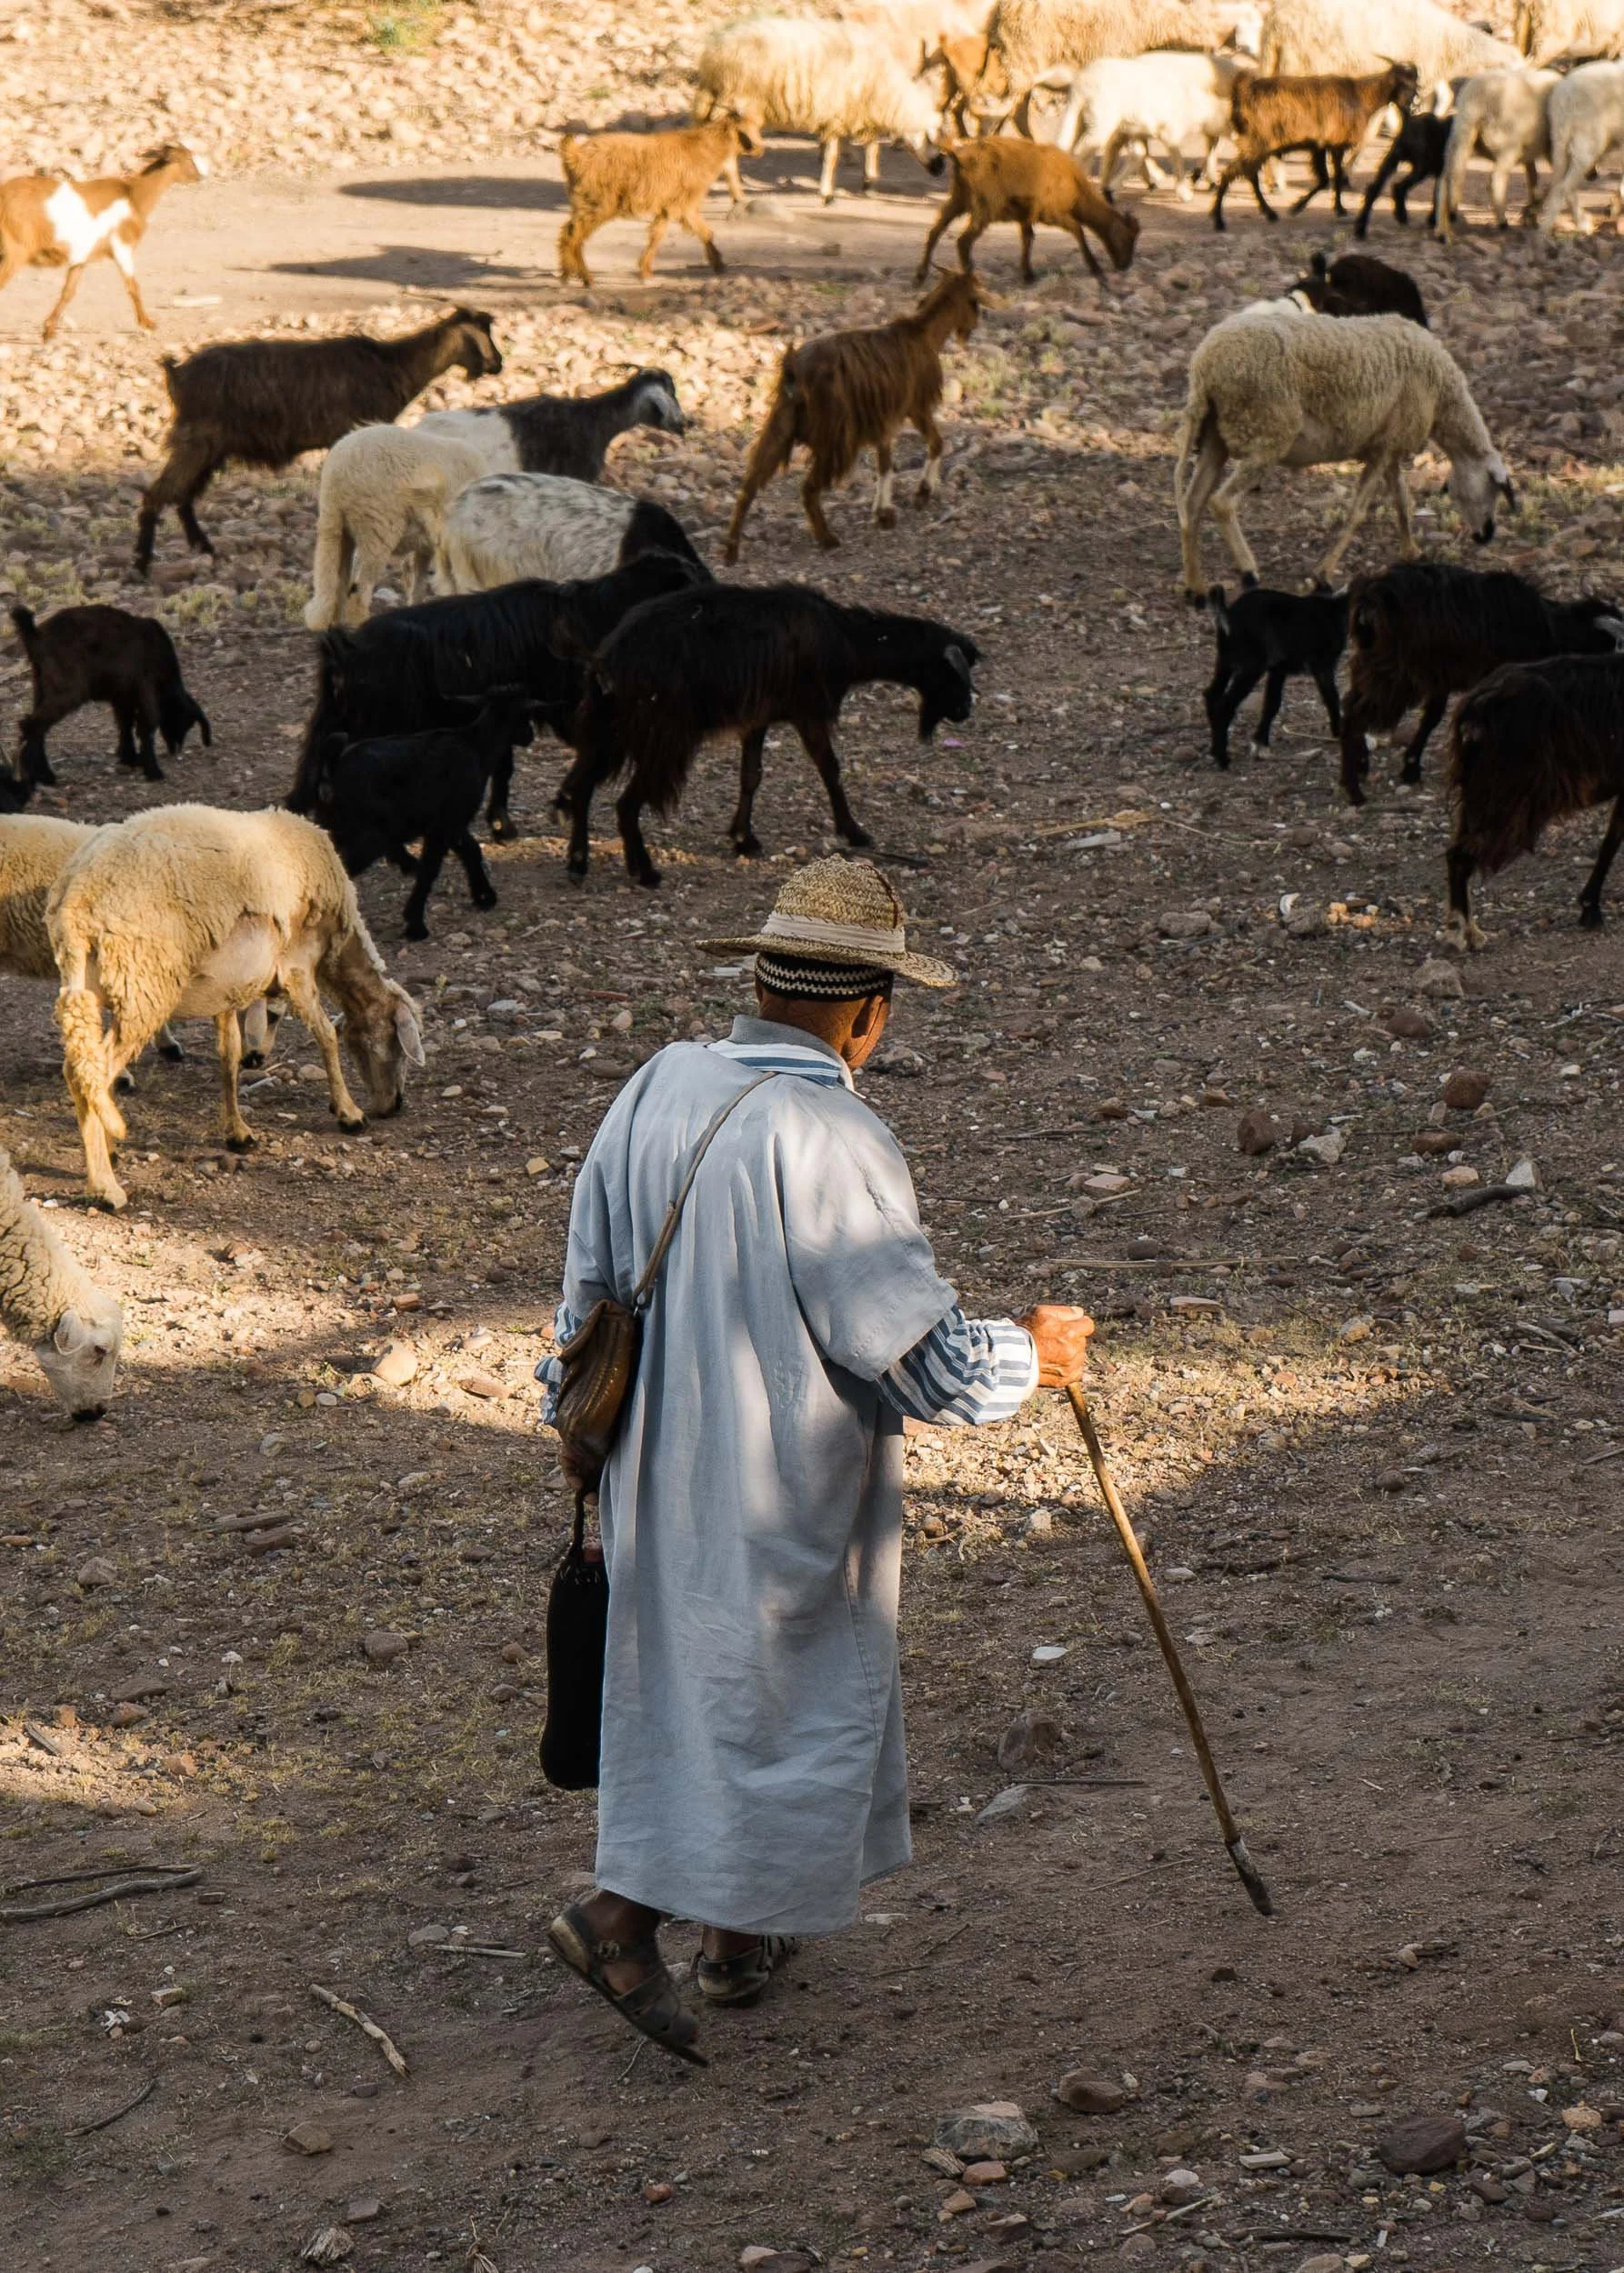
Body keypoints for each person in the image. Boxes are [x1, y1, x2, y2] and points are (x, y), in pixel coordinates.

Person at [541, 857, 1094, 2065]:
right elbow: (918, 1361)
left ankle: (739, 1938)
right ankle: (621, 1919)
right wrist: (1030, 1356)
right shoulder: (832, 1137)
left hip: (647, 1465)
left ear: (756, 982)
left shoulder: (657, 1084)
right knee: (779, 1702)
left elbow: (582, 1290)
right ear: (866, 1013)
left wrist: (571, 1431)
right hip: (777, 1485)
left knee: (695, 1693)